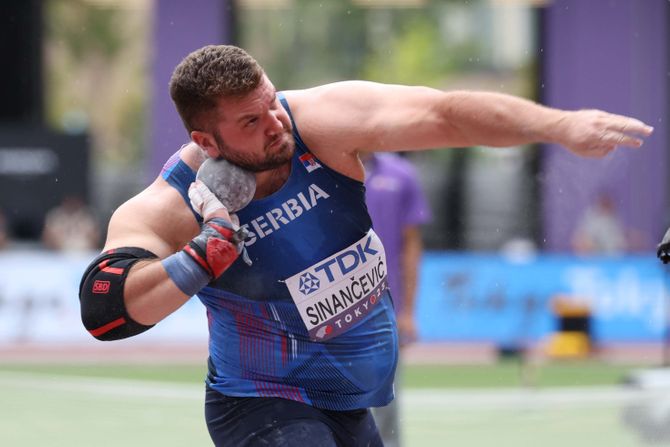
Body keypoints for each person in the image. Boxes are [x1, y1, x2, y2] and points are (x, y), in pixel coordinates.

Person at [78, 45, 653, 446]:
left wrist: (558, 126)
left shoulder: (318, 122)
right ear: (206, 141)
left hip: (349, 402)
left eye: (272, 101)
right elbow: (105, 310)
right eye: (250, 122)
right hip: (261, 401)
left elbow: (444, 115)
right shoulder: (173, 204)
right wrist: (201, 255)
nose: (275, 122)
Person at [363, 152, 431, 447]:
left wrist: (408, 311)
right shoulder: (319, 167)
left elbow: (411, 246)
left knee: (386, 398)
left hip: (385, 304)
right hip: (332, 305)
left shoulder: (401, 174)